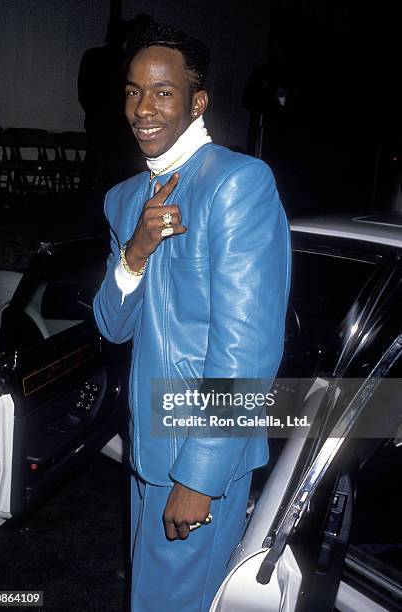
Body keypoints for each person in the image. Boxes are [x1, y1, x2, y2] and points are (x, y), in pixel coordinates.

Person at [93, 22, 291, 612]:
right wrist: (134, 254)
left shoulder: (237, 183)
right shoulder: (125, 198)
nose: (142, 108)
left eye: (162, 92)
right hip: (148, 447)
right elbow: (111, 325)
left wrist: (197, 476)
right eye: (132, 91)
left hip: (199, 453)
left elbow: (248, 349)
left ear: (197, 101)